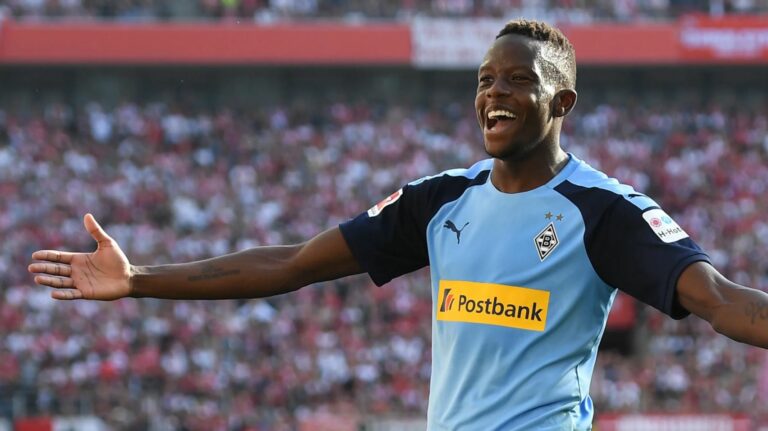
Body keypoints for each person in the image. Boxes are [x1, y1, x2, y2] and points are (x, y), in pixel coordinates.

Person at [28, 19, 768, 430]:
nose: (495, 94)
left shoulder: (604, 212)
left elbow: (721, 300)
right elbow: (290, 264)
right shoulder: (440, 199)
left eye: (518, 80)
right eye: (485, 80)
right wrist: (140, 280)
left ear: (562, 103)